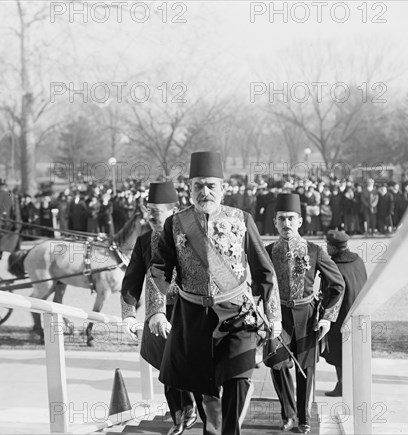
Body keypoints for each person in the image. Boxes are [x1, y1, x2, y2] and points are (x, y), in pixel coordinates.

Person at [150, 151, 282, 435]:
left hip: (237, 314)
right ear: (190, 188)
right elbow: (159, 269)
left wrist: (274, 316)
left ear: (223, 189)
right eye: (198, 185)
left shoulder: (242, 219)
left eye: (211, 185)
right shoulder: (174, 223)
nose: (205, 191)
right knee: (204, 388)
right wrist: (157, 310)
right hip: (192, 316)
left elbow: (264, 271)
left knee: (238, 377)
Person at [121, 182, 202, 435]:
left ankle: (199, 413)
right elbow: (132, 280)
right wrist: (128, 315)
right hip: (160, 314)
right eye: (148, 211)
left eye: (156, 211)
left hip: (190, 310)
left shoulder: (193, 236)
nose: (151, 216)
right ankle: (179, 416)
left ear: (174, 209)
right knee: (166, 367)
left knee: (192, 365)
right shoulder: (145, 241)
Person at [264, 193, 345, 434]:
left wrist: (327, 318)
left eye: (290, 218)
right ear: (275, 222)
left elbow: (337, 284)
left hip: (307, 315)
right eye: (281, 219)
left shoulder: (315, 250)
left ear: (300, 221)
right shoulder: (267, 251)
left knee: (305, 368)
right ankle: (287, 414)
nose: (286, 224)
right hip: (278, 315)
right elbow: (260, 286)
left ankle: (304, 417)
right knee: (276, 364)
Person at [321, 230, 367, 397]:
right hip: (358, 312)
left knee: (338, 351)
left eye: (327, 245)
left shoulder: (333, 266)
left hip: (339, 315)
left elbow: (329, 293)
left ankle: (342, 385)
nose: (326, 249)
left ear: (333, 248)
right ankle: (353, 385)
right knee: (353, 351)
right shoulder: (358, 260)